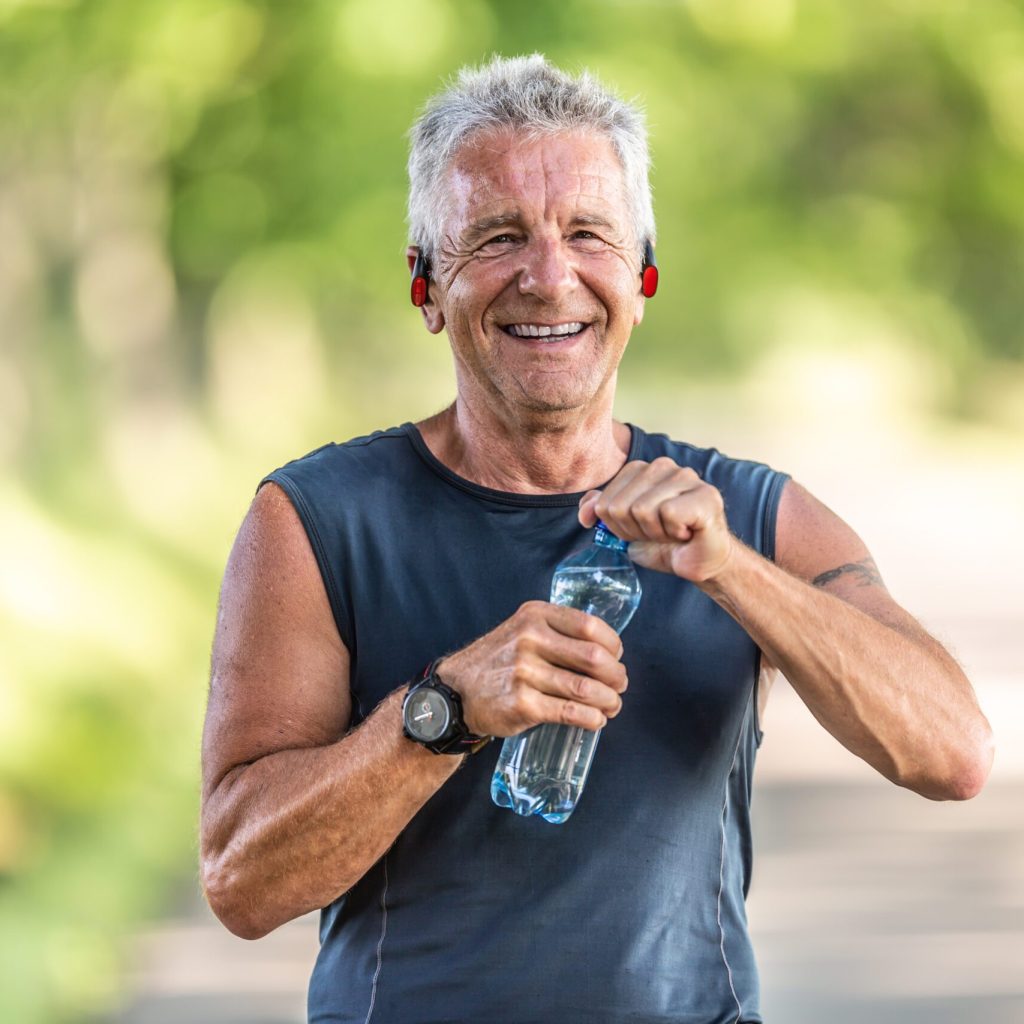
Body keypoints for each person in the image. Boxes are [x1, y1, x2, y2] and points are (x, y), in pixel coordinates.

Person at [199, 55, 994, 1024]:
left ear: (643, 276)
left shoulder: (752, 513)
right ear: (424, 285)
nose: (547, 275)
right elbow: (242, 881)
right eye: (496, 237)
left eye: (587, 234)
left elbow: (951, 754)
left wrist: (732, 571)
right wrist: (446, 710)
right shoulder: (314, 520)